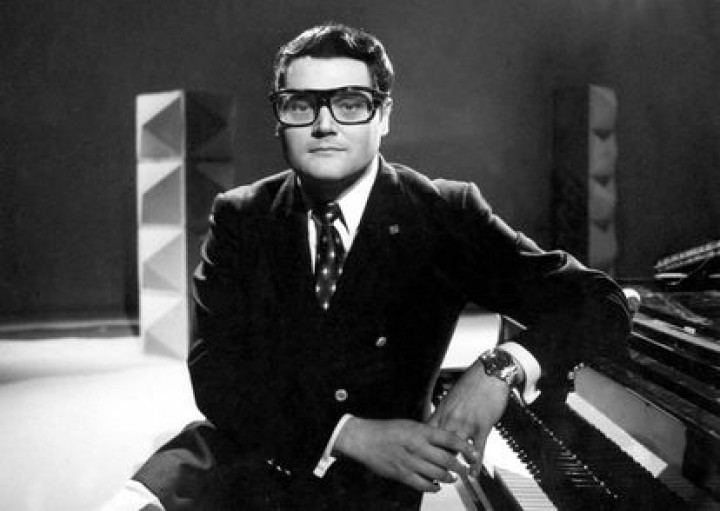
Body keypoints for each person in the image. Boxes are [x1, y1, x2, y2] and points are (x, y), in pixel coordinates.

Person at [113, 22, 632, 510]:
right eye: (300, 105)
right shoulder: (242, 215)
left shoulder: (443, 214)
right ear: (279, 119)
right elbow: (217, 374)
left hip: (363, 497)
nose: (323, 125)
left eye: (350, 104)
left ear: (383, 116)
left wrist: (499, 368)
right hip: (242, 468)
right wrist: (348, 434)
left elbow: (600, 302)